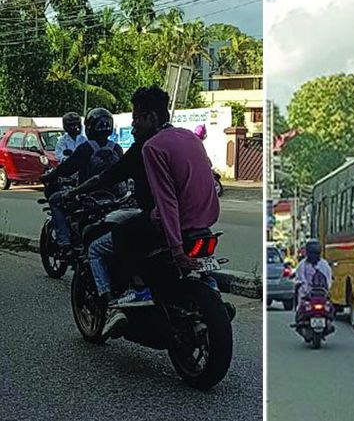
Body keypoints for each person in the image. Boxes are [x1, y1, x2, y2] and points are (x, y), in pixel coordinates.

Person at [75, 86, 220, 337]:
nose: (134, 125)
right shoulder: (190, 137)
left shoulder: (151, 147)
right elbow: (210, 181)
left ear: (152, 117)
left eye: (137, 119)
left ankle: (126, 298)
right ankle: (211, 286)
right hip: (202, 222)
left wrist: (176, 249)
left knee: (105, 244)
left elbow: (165, 201)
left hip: (172, 224)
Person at [42, 108, 123, 257]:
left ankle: (65, 244)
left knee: (55, 200)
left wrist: (48, 177)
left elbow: (66, 168)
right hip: (115, 198)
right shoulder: (117, 149)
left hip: (88, 196)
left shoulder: (86, 147)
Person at [294, 239, 332, 316]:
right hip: (315, 293)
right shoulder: (324, 264)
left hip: (317, 293)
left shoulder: (303, 264)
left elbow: (300, 279)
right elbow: (329, 280)